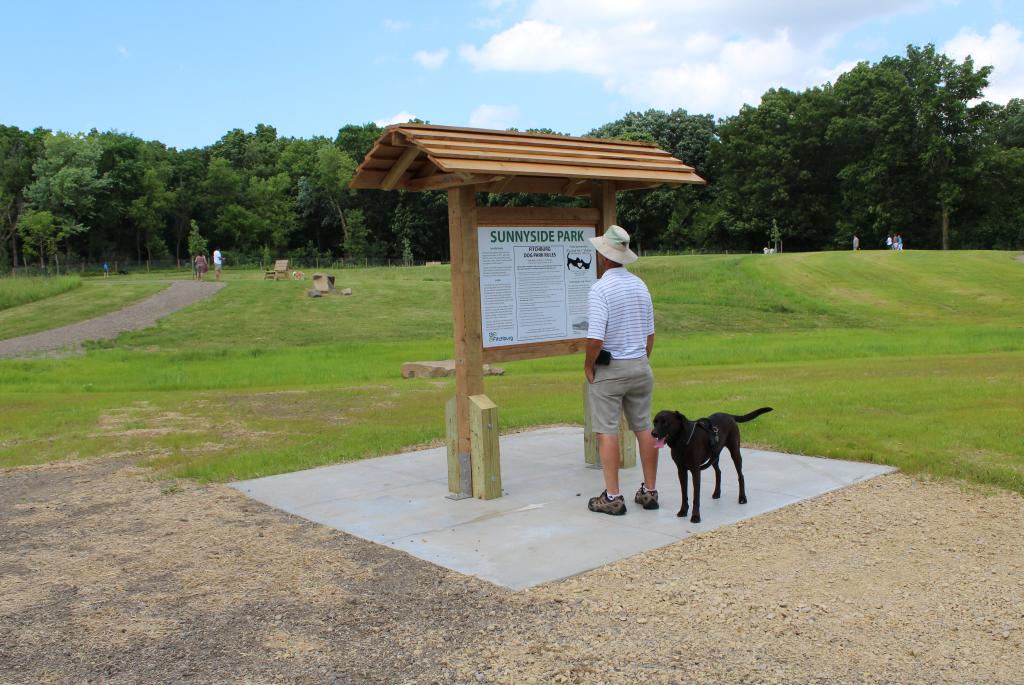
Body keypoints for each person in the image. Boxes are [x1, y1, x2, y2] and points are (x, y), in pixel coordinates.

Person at [584, 224, 660, 515]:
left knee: (607, 431)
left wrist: (589, 366)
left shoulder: (600, 289)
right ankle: (650, 490)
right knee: (644, 428)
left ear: (604, 257)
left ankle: (613, 495)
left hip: (611, 369)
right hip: (640, 365)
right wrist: (642, 358)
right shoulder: (640, 286)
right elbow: (649, 334)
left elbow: (595, 338)